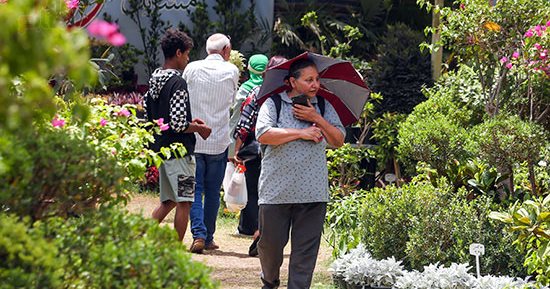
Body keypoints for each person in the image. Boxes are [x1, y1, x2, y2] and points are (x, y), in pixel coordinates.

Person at [255, 58, 345, 289]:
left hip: (313, 193)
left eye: (317, 79)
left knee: (305, 254)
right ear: (292, 82)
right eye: (309, 80)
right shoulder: (273, 104)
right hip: (276, 192)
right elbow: (264, 135)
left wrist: (316, 118)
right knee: (270, 246)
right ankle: (269, 279)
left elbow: (338, 141)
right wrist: (300, 133)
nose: (315, 84)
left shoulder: (324, 106)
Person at [144, 29, 212, 242]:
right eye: (187, 53)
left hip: (162, 150)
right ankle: (174, 253)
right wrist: (200, 129)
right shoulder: (178, 83)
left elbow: (151, 116)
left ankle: (141, 238)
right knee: (184, 201)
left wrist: (191, 123)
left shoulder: (155, 79)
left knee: (170, 201)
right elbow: (179, 123)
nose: (188, 58)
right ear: (178, 52)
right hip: (180, 152)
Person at [182, 33, 239, 254]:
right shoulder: (232, 70)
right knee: (213, 191)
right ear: (226, 50)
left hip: (193, 138)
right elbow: (232, 101)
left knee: (193, 190)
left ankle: (198, 234)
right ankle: (208, 238)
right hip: (218, 140)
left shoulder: (192, 68)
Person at [232, 56, 287, 256]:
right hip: (282, 148)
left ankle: (257, 229)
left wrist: (237, 149)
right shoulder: (289, 95)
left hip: (257, 149)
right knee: (276, 193)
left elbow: (244, 123)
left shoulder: (257, 92)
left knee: (256, 191)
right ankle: (264, 232)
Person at [229, 53, 268, 147]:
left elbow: (236, 116)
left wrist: (232, 143)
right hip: (267, 136)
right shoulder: (271, 88)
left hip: (245, 140)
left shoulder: (244, 89)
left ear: (250, 68)